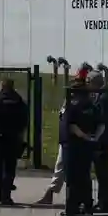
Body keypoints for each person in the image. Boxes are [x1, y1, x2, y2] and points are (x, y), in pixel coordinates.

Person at [38, 63, 93, 205]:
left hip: (73, 140)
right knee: (63, 166)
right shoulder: (72, 97)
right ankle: (56, 194)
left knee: (66, 167)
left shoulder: (82, 99)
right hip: (67, 138)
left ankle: (62, 196)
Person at [60, 76, 105, 216]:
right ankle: (87, 206)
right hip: (87, 146)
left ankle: (72, 208)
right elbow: (101, 125)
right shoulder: (92, 105)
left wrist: (84, 136)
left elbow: (72, 126)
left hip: (72, 146)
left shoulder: (72, 105)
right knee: (85, 176)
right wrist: (94, 138)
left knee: (72, 177)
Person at [0, 78, 29, 205]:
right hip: (13, 138)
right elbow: (24, 120)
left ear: (2, 86)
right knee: (9, 167)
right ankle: (6, 196)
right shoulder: (19, 102)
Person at [87, 70, 108, 213]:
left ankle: (104, 203)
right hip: (104, 139)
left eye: (88, 82)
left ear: (94, 82)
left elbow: (102, 122)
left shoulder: (104, 98)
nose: (87, 84)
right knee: (102, 172)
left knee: (103, 172)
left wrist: (94, 138)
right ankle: (104, 201)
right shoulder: (102, 95)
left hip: (102, 140)